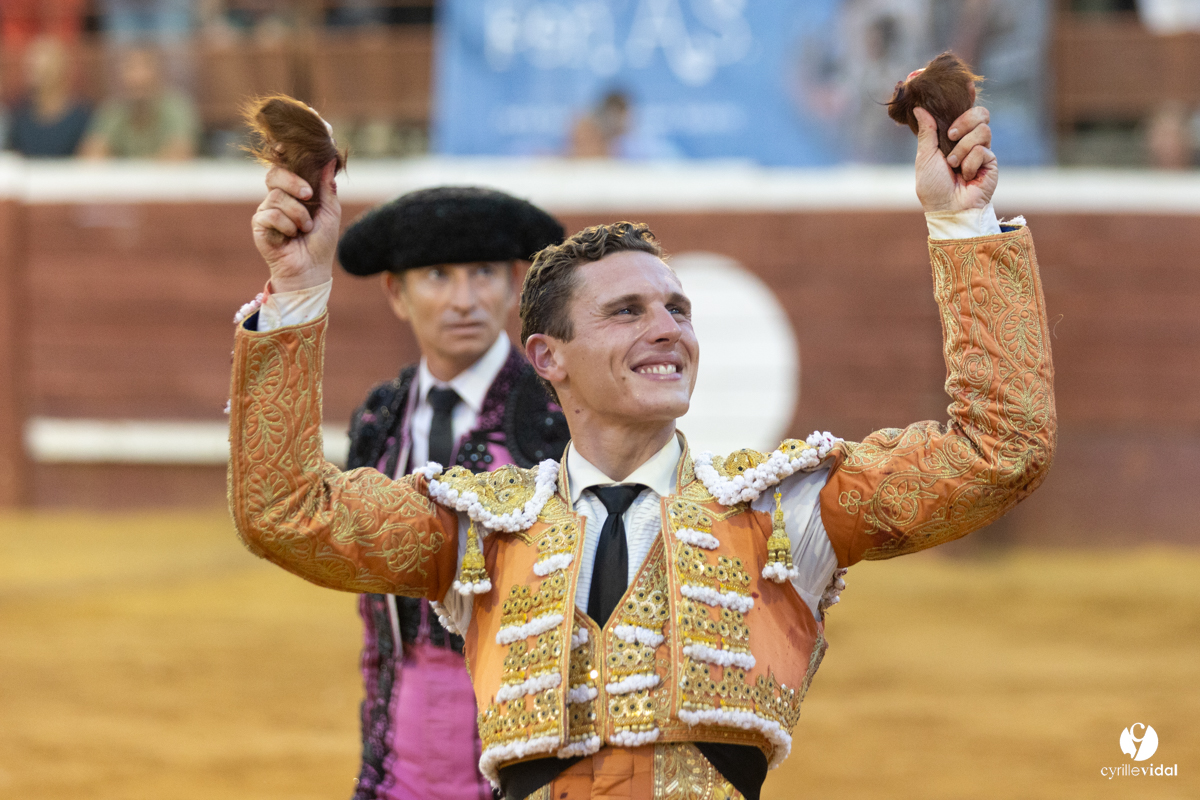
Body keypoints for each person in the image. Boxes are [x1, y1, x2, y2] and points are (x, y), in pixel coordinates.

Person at [228, 102, 1055, 799]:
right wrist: (298, 289)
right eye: (626, 312)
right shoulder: (476, 527)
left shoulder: (782, 508)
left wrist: (963, 222)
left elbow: (998, 451)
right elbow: (286, 513)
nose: (667, 329)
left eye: (677, 309)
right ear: (546, 357)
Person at [334, 187, 570, 800]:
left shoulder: (559, 417)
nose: (465, 300)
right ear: (396, 293)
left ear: (515, 284)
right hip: (397, 728)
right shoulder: (377, 419)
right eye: (438, 276)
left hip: (528, 729)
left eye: (484, 273)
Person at [79, 46, 199, 160]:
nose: (137, 77)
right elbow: (92, 156)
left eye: (145, 67)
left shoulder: (176, 107)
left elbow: (179, 155)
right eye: (130, 67)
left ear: (159, 74)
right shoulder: (113, 110)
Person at [8, 36, 91, 158]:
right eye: (31, 63)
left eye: (43, 62)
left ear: (62, 68)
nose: (35, 66)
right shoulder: (19, 117)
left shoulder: (82, 118)